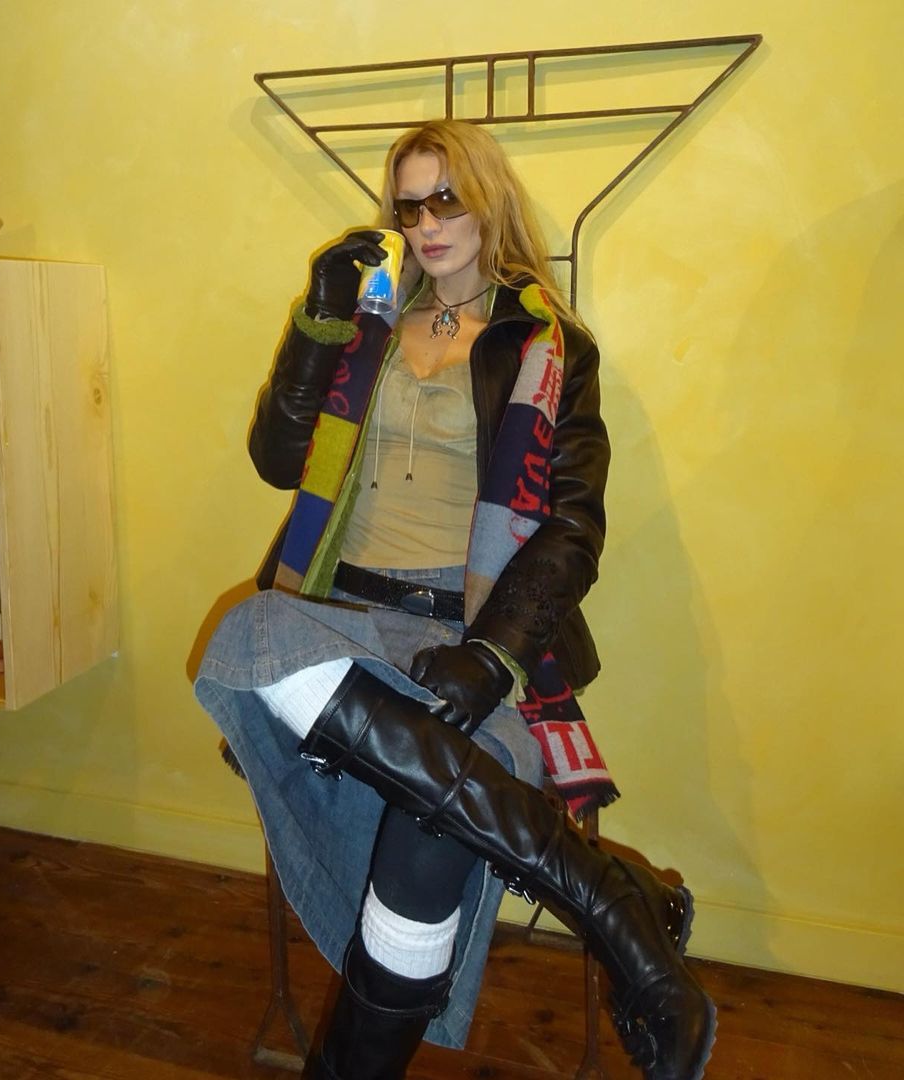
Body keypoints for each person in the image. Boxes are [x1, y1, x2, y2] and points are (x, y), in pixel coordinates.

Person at [194, 119, 715, 1080]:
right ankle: (609, 901)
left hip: (465, 637)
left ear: (487, 202)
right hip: (338, 622)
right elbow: (278, 459)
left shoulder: (548, 347)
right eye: (409, 205)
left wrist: (492, 657)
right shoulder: (366, 328)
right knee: (251, 630)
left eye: (446, 200)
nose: (427, 224)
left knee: (429, 835)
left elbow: (572, 528)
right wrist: (319, 319)